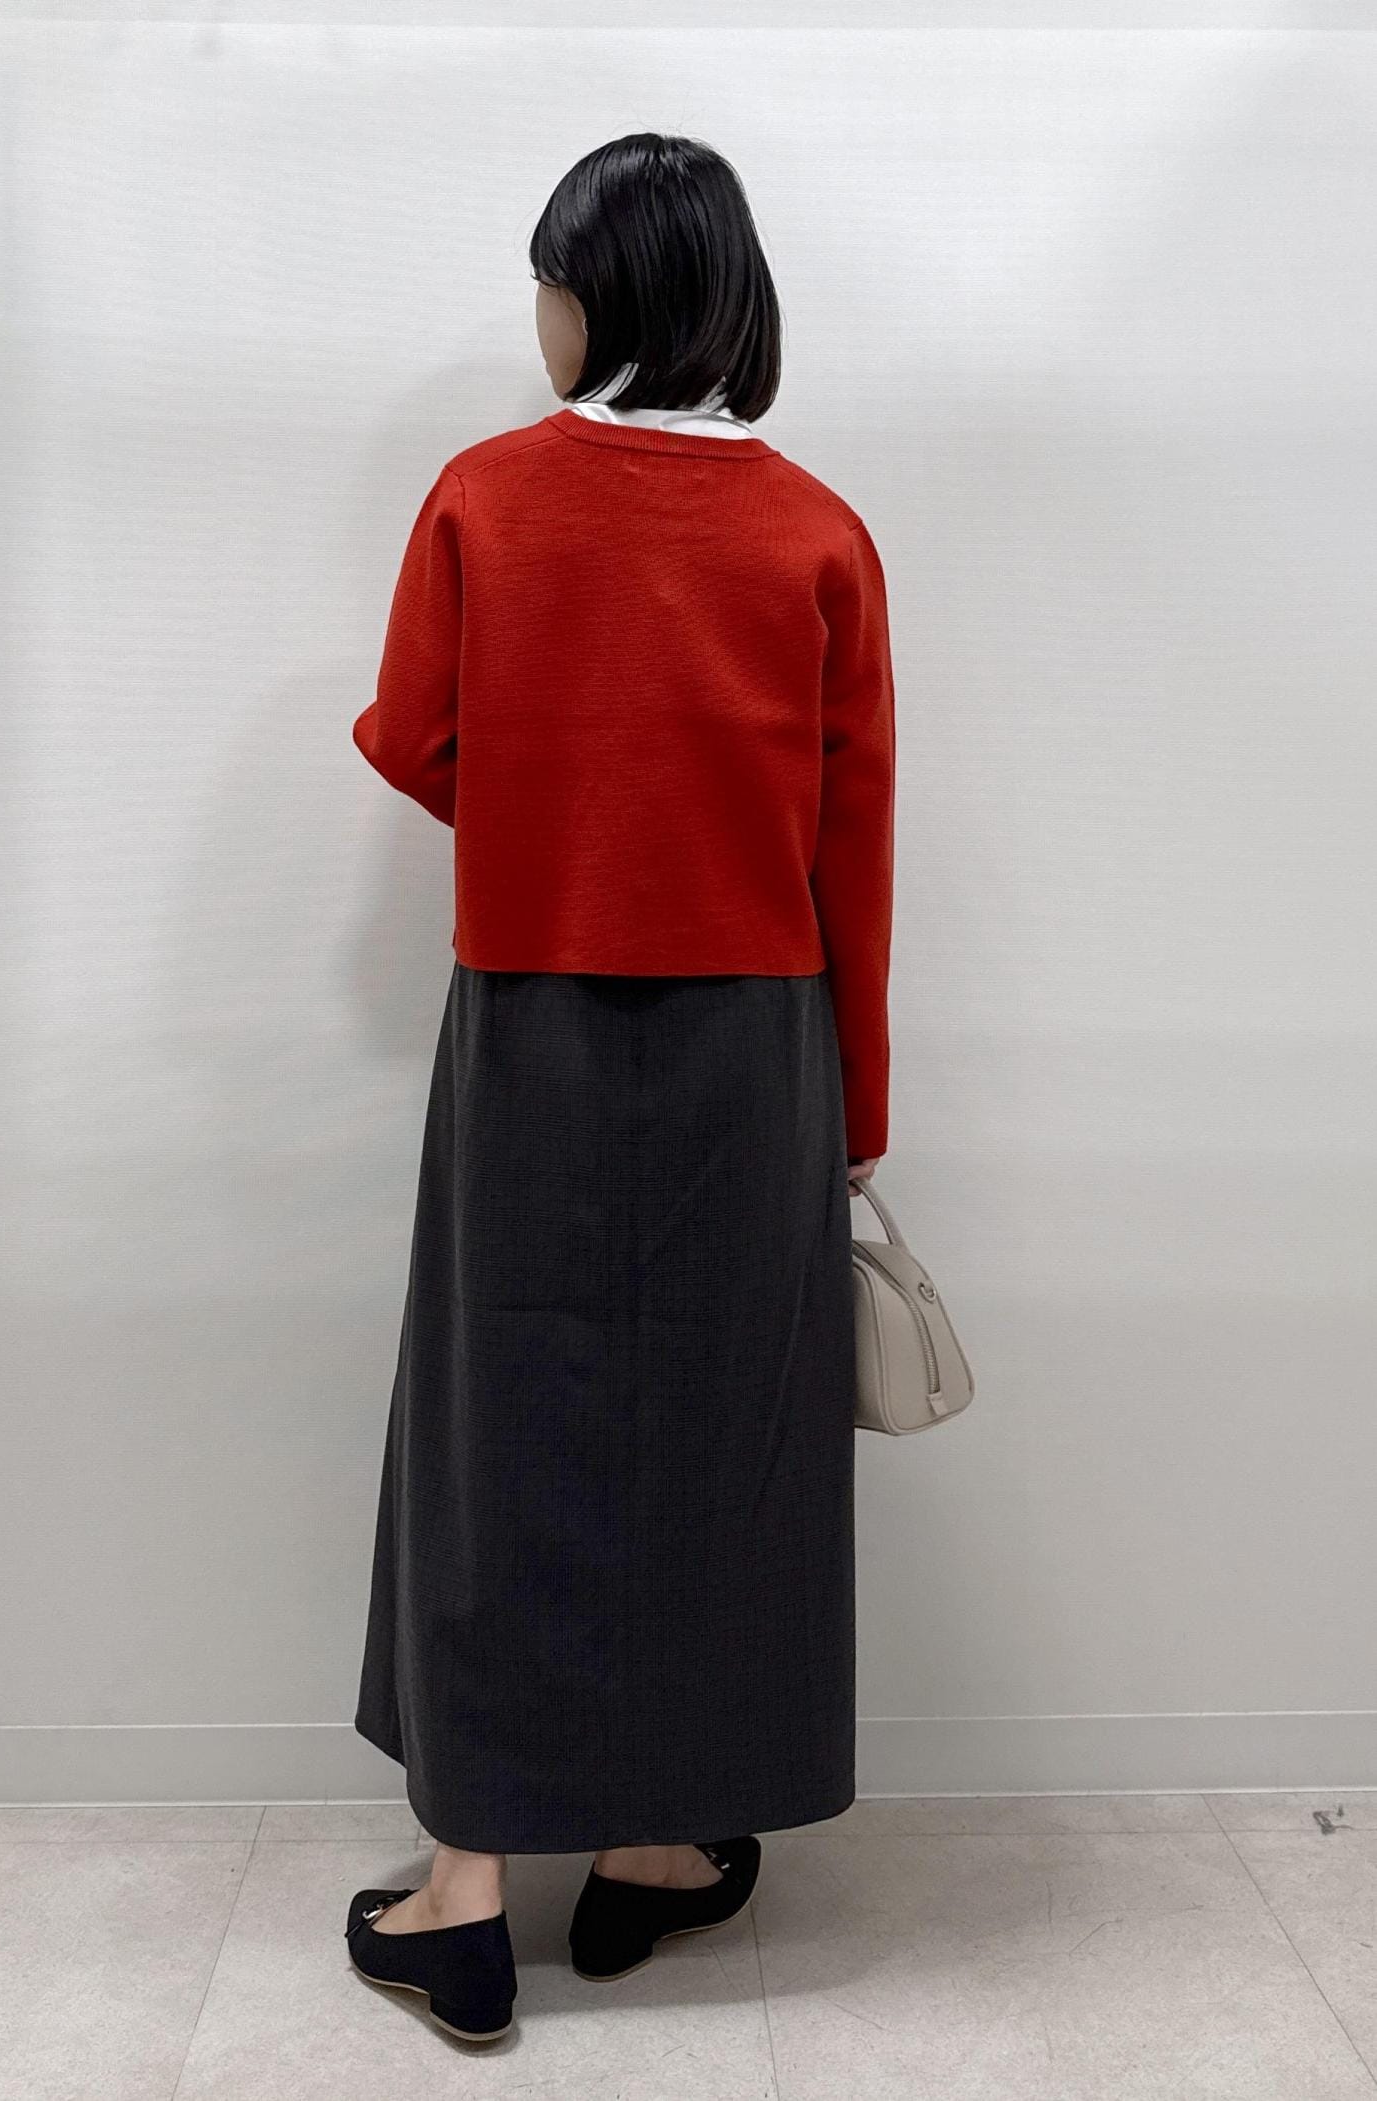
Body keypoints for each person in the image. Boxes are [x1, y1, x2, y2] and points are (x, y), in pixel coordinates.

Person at [344, 131, 896, 2044]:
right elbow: (849, 846)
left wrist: (556, 805)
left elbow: (410, 734)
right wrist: (860, 1107)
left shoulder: (486, 496)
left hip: (536, 1019)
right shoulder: (818, 532)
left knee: (502, 1427)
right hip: (761, 1044)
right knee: (726, 1436)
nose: (538, 310)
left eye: (548, 278)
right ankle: (660, 1843)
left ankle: (466, 1891)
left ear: (596, 296)